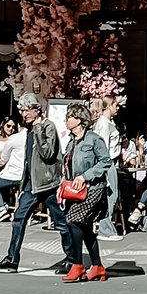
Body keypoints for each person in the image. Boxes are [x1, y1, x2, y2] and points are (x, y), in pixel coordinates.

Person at [0, 93, 70, 274]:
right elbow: (28, 160)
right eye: (21, 110)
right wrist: (22, 187)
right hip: (32, 184)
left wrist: (39, 129)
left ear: (36, 110)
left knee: (60, 222)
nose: (23, 113)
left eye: (26, 110)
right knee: (18, 218)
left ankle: (72, 259)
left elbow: (48, 153)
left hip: (48, 183)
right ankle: (12, 259)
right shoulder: (29, 130)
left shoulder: (47, 126)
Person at [60, 101, 112, 283]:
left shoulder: (94, 139)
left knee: (73, 220)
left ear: (79, 120)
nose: (66, 120)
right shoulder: (71, 142)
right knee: (85, 227)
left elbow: (106, 161)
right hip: (76, 191)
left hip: (93, 189)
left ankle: (77, 264)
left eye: (70, 117)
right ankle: (97, 266)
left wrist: (85, 176)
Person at [92, 95, 122, 238]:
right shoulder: (103, 124)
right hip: (108, 162)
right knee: (110, 195)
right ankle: (105, 228)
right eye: (115, 104)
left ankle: (106, 227)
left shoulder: (108, 122)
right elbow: (102, 147)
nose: (118, 107)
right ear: (109, 105)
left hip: (111, 162)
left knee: (112, 195)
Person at [0, 124, 26, 221]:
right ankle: (5, 205)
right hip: (26, 175)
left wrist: (3, 160)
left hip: (13, 173)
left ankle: (2, 209)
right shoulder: (32, 136)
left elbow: (4, 156)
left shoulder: (14, 138)